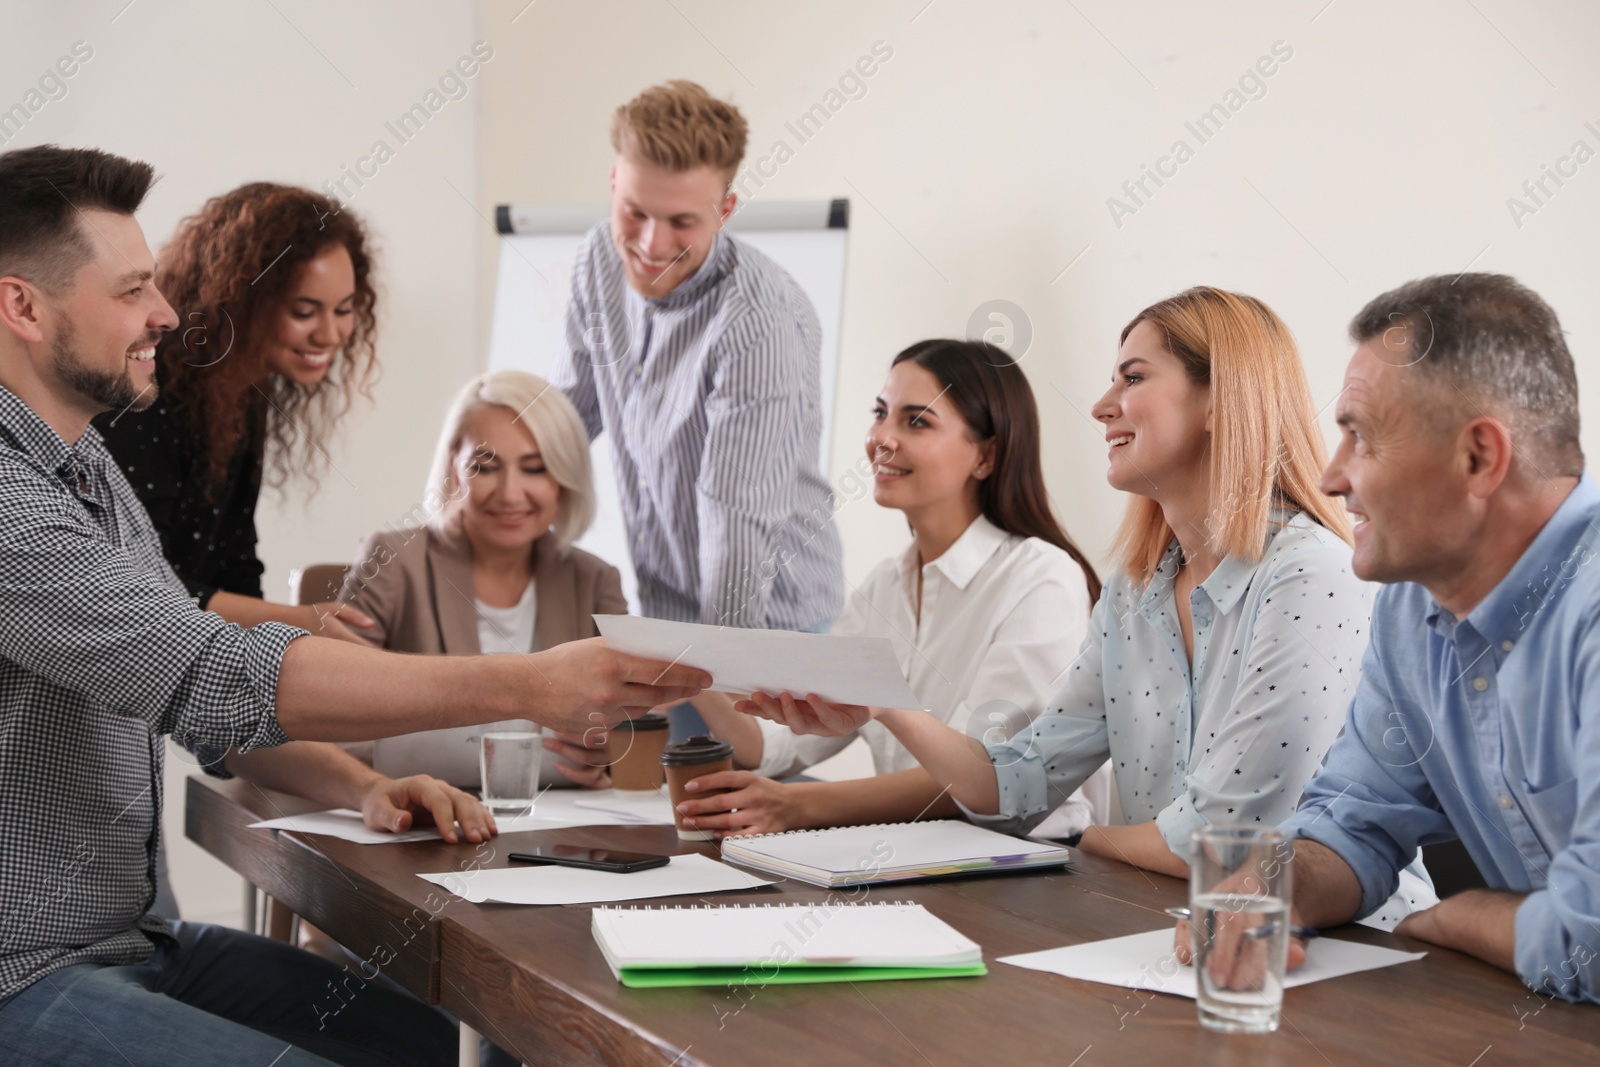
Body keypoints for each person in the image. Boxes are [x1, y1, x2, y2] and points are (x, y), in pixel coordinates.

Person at [0, 145, 707, 1066]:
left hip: (130, 940)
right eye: (134, 290)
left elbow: (206, 702)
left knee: (429, 1040)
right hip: (26, 970)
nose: (165, 313)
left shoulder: (86, 466)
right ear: (22, 306)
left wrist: (364, 784)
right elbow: (211, 673)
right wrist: (527, 685)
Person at [732, 288, 1433, 922]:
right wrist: (887, 706)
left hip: (1350, 955)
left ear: (1221, 397)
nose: (1102, 406)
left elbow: (1217, 838)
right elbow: (1017, 783)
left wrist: (1078, 835)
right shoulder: (1135, 590)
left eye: (1132, 378)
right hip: (1176, 929)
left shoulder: (1311, 574)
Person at [1179, 274, 1598, 1004]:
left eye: (1361, 436)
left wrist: (1465, 916)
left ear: (1479, 458)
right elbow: (1355, 821)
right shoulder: (1412, 611)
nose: (1331, 475)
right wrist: (1274, 886)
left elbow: (1591, 944)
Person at [679, 339, 1113, 837]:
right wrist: (681, 674)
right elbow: (777, 747)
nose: (882, 437)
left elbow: (988, 775)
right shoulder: (885, 585)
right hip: (913, 856)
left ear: (986, 456)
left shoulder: (1042, 577)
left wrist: (800, 805)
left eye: (916, 421)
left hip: (1026, 870)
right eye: (880, 413)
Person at [551, 79, 843, 637]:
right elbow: (567, 416)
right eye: (634, 212)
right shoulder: (596, 259)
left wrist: (724, 666)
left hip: (771, 626)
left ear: (724, 210)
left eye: (682, 222)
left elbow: (735, 520)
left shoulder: (757, 322)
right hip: (670, 613)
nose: (652, 244)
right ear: (614, 183)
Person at [94, 181, 380, 643]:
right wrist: (298, 622)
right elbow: (137, 582)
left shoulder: (242, 391)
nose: (330, 334)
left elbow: (235, 563)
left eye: (344, 309)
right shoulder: (146, 383)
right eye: (305, 312)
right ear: (243, 302)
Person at [337, 369, 627, 789]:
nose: (510, 494)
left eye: (535, 468)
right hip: (420, 819)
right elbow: (320, 711)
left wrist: (612, 752)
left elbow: (639, 727)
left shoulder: (595, 580)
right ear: (453, 467)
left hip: (556, 825)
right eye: (485, 467)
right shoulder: (395, 560)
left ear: (565, 478)